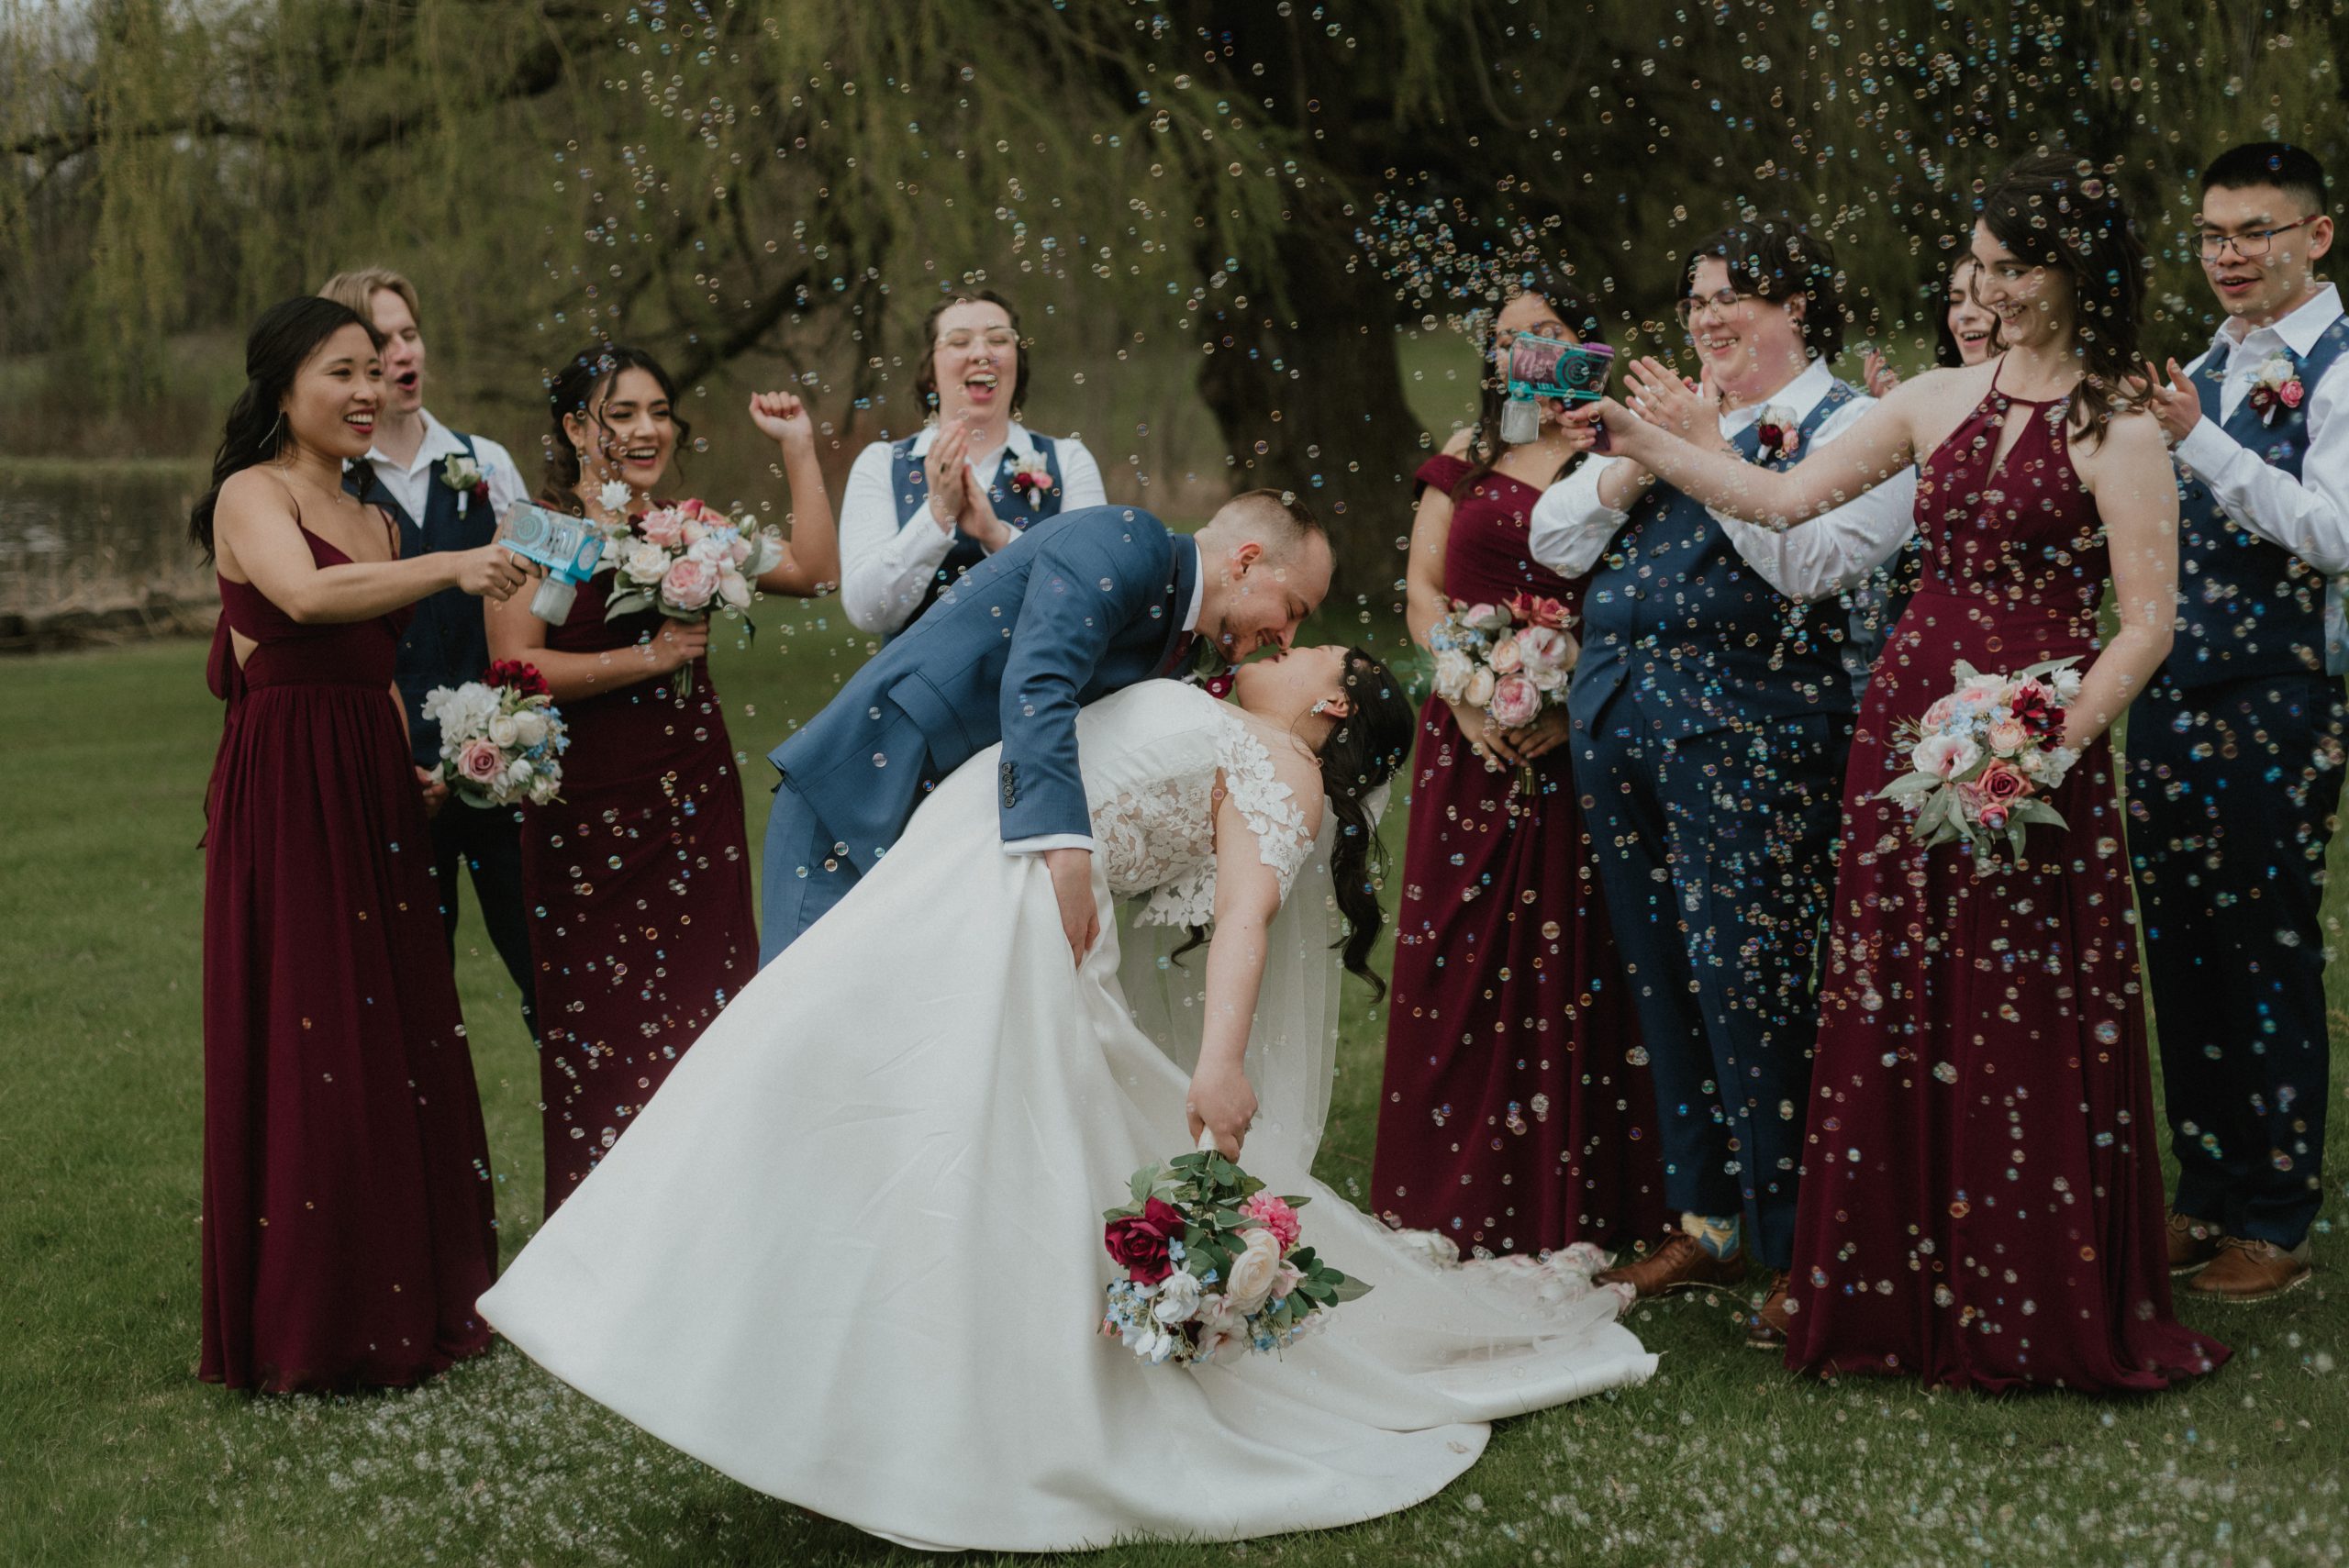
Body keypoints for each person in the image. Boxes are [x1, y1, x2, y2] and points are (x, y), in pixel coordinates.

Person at [479, 652, 1655, 1551]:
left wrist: (1220, 1061)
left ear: (1336, 706)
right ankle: (718, 1350)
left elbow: (1243, 915)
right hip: (961, 888)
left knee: (887, 1132)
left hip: (996, 930)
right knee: (799, 1090)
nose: (1288, 645)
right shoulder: (1222, 712)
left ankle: (908, 1424)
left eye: (1312, 655)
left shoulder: (1281, 766)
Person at [1577, 151, 2229, 1392]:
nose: (1986, 287)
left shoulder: (2121, 426)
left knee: (2015, 1013)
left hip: (2033, 749)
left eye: (2010, 265)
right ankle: (1894, 1288)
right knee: (1898, 1004)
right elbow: (1779, 502)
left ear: (2072, 275)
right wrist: (1648, 445)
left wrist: (2044, 743)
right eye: (1977, 262)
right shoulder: (1932, 399)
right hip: (1905, 724)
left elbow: (2145, 622)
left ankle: (2024, 1292)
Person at [1525, 218, 1915, 1337]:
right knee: (1660, 970)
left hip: (1755, 731)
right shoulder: (1665, 417)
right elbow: (1554, 541)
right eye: (1695, 298)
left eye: (1732, 296)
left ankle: (1803, 1239)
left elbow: (1814, 567)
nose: (1703, 317)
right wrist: (1637, 453)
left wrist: (1704, 449)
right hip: (1618, 719)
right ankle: (1707, 1218)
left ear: (1804, 311)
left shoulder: (1861, 425)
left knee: (1756, 979)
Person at [194, 295, 527, 1392]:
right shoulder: (253, 492)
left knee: (394, 1024)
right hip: (287, 779)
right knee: (311, 1020)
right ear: (283, 387)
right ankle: (313, 1313)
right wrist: (451, 566)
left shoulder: (379, 517)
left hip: (369, 779)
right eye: (341, 372)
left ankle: (408, 1289)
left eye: (374, 374)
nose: (365, 392)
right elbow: (299, 595)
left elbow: (376, 664)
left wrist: (407, 763)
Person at [485, 344, 838, 1214]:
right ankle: (605, 1242)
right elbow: (513, 670)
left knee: (710, 1016)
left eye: (659, 412)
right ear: (575, 429)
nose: (648, 431)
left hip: (691, 803)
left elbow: (813, 571)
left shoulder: (682, 525)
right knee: (600, 1030)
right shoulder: (537, 529)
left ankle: (715, 1225)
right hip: (584, 814)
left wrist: (796, 447)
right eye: (622, 413)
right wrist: (644, 657)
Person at [1371, 271, 1665, 1256]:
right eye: (1510, 337)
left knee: (1579, 961)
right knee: (1463, 963)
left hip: (1582, 737)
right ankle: (1448, 1190)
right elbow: (1420, 591)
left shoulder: (1622, 454)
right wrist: (1463, 684)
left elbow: (1639, 593)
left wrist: (1564, 687)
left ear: (1585, 343)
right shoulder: (1465, 455)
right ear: (1493, 360)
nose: (1527, 349)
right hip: (1469, 743)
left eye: (1548, 330)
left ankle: (1582, 1197)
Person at [756, 489, 1333, 966]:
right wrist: (1066, 848)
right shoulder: (1125, 540)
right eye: (1295, 610)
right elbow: (1039, 680)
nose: (1288, 639)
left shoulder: (1183, 650)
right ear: (1247, 560)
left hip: (941, 839)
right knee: (795, 1027)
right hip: (860, 790)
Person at [2135, 140, 2348, 1302]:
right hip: (2171, 691)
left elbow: (2335, 529)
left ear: (2314, 236)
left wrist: (2196, 439)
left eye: (2254, 231)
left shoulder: (2340, 369)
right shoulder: (2205, 363)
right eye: (2214, 233)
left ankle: (2275, 1217)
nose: (2228, 253)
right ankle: (2203, 1189)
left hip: (2279, 698)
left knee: (2261, 948)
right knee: (2181, 944)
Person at [319, 267, 538, 1039]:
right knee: (407, 997)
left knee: (549, 968)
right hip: (392, 778)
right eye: (378, 342)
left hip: (501, 765)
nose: (401, 353)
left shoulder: (486, 464)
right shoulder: (329, 488)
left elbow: (532, 608)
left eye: (408, 333)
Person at [838, 289, 1108, 637]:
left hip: (1042, 684)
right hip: (917, 687)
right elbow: (866, 613)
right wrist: (936, 516)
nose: (982, 353)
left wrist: (998, 537)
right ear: (931, 371)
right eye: (959, 342)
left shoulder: (1069, 461)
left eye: (998, 339)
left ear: (1017, 363)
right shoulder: (880, 464)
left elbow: (1096, 595)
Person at [1845, 254, 2003, 693]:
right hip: (1916, 628)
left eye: (1981, 298)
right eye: (1954, 300)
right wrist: (1898, 429)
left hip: (2004, 644)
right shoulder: (1926, 403)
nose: (1965, 313)